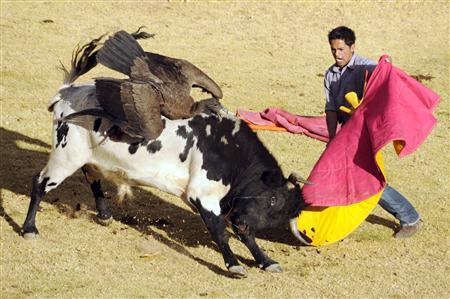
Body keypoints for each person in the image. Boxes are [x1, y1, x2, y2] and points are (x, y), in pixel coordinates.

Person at [323, 26, 420, 238]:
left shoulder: (364, 67)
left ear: (352, 47)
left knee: (369, 179)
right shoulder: (330, 74)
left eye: (341, 49)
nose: (337, 54)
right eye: (333, 50)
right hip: (346, 133)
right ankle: (334, 221)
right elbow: (330, 108)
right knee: (340, 174)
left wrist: (387, 63)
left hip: (366, 134)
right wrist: (332, 138)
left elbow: (385, 75)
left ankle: (409, 217)